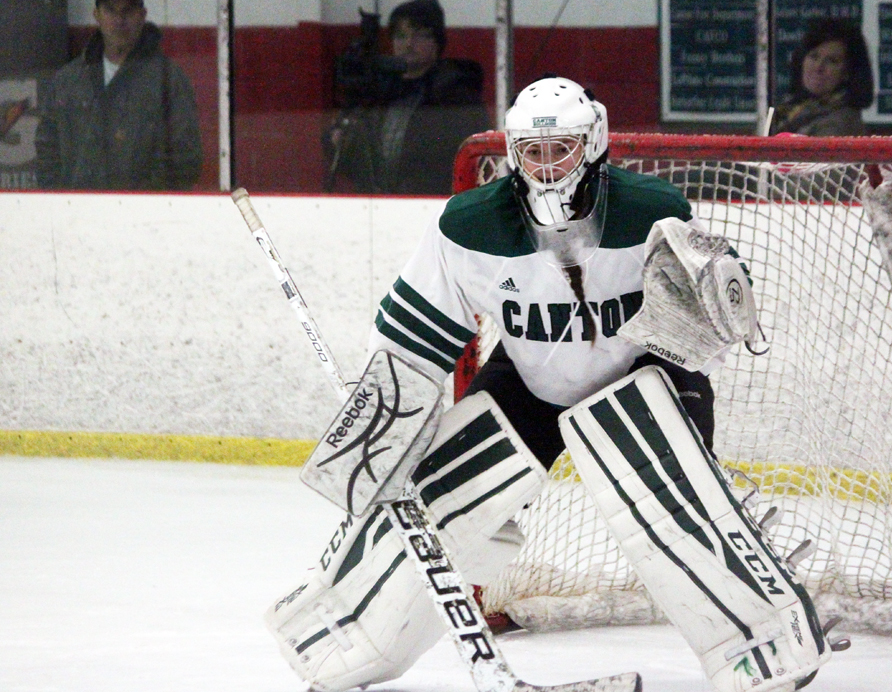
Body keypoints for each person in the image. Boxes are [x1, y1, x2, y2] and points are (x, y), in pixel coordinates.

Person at [266, 77, 844, 692]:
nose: (545, 169)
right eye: (532, 153)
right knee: (438, 496)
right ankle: (345, 632)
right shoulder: (470, 226)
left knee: (671, 503)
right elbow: (414, 345)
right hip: (530, 379)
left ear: (592, 144)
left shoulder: (652, 209)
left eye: (560, 150)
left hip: (646, 373)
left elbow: (718, 315)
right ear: (513, 152)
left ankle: (766, 640)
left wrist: (717, 295)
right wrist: (380, 437)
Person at [323, 0, 489, 194]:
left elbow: (471, 159)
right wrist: (337, 143)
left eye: (419, 35)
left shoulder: (455, 94)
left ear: (437, 42)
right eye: (401, 36)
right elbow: (361, 165)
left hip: (434, 203)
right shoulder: (378, 94)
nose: (409, 44)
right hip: (378, 205)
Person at [35, 0, 202, 190]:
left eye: (128, 11)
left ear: (142, 15)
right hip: (76, 214)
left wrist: (147, 205)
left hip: (145, 216)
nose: (119, 20)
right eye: (110, 10)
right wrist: (61, 201)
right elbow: (47, 149)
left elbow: (185, 159)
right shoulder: (68, 80)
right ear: (96, 15)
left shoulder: (168, 80)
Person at [770, 18, 874, 136]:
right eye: (814, 56)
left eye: (831, 61)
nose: (818, 67)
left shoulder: (839, 123)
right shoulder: (791, 109)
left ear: (848, 72)